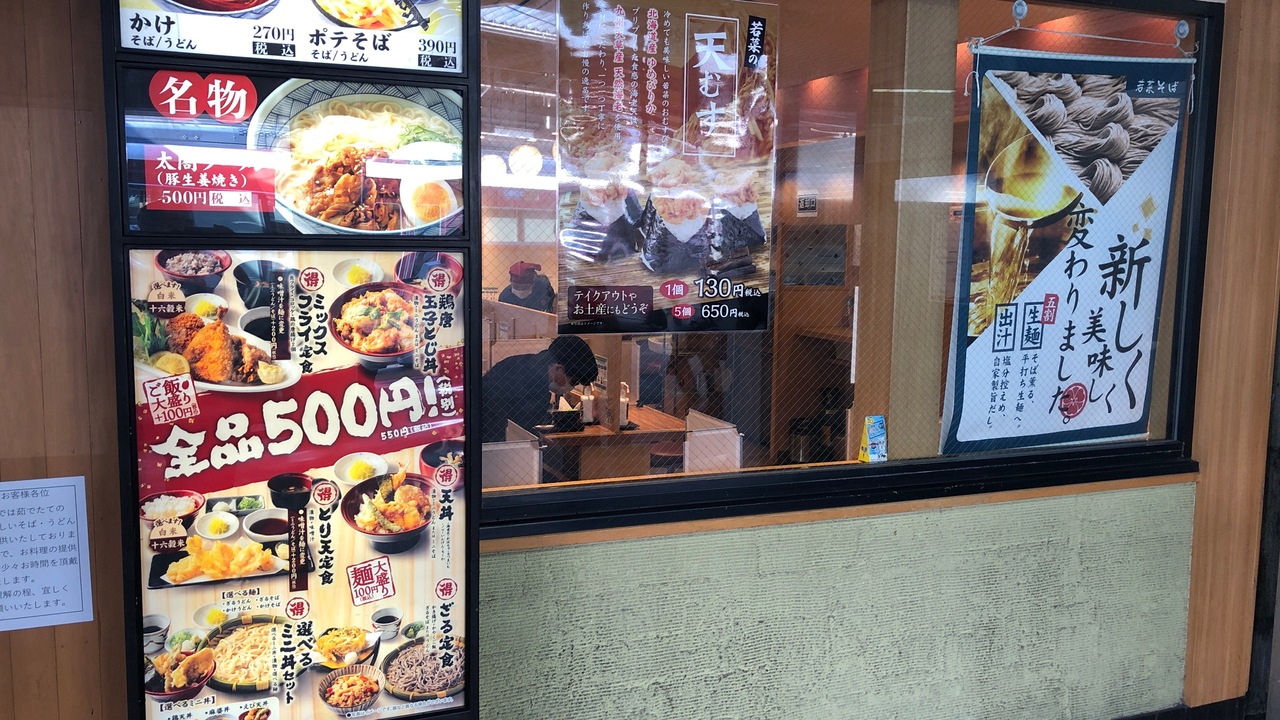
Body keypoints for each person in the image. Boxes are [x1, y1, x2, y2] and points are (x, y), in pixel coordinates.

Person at [481, 335, 599, 442]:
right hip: (494, 442)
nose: (571, 387)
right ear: (558, 368)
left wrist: (536, 435)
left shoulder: (518, 362)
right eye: (573, 382)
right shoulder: (537, 391)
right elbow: (519, 428)